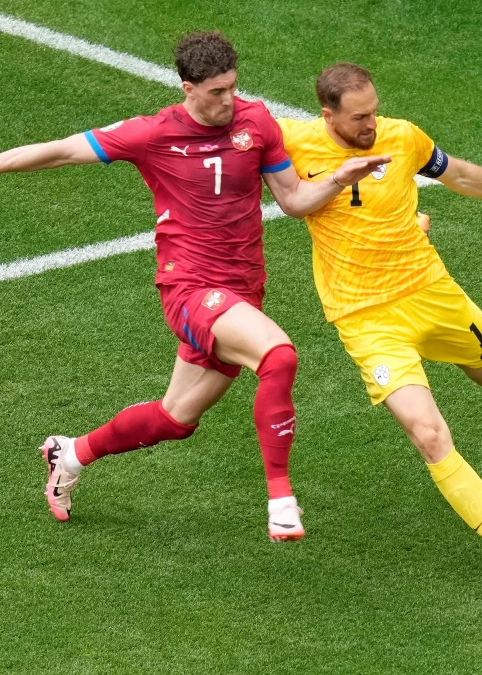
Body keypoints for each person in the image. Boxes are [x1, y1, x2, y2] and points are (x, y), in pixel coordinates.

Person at [0, 34, 388, 541]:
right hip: (189, 289)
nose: (228, 100)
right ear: (189, 88)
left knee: (175, 418)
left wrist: (340, 177)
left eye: (232, 87)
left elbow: (293, 199)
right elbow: (59, 152)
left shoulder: (257, 122)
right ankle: (281, 501)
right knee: (279, 356)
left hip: (242, 291)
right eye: (216, 92)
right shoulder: (152, 133)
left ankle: (68, 454)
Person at [277, 63, 482, 590]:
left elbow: (458, 173)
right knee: (428, 432)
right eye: (359, 116)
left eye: (374, 109)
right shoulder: (290, 140)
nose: (372, 122)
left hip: (429, 291)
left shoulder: (402, 136)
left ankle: (417, 231)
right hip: (366, 318)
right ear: (328, 115)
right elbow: (222, 134)